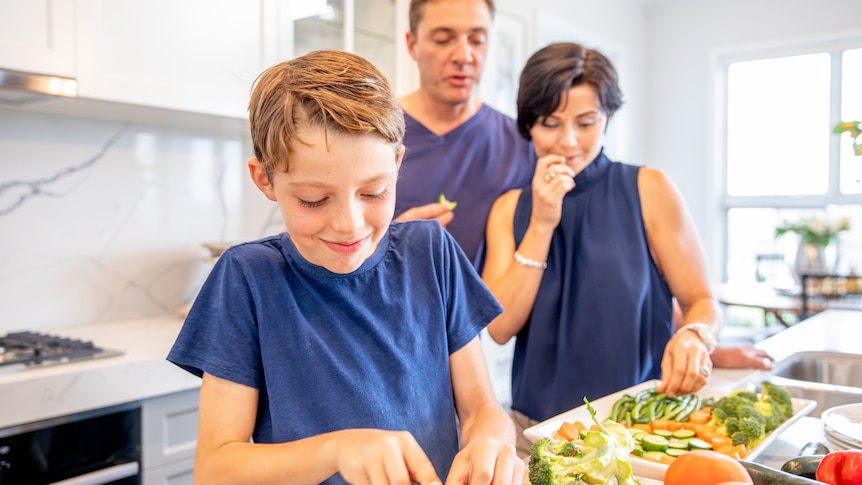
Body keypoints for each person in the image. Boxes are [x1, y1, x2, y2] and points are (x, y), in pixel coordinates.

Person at [167, 50, 523, 484]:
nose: (349, 224)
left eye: (374, 192)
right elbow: (215, 470)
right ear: (265, 179)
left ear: (397, 164)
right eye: (314, 200)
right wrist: (338, 449)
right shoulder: (247, 278)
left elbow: (482, 409)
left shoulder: (431, 252)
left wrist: (490, 441)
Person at [479, 42, 725, 457]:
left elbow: (702, 301)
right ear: (528, 125)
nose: (568, 141)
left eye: (586, 122)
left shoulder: (649, 190)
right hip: (536, 435)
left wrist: (695, 336)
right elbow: (500, 328)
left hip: (641, 430)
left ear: (607, 116)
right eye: (550, 123)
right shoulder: (509, 209)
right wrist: (541, 222)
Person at [394, 0, 535, 267]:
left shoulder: (522, 143)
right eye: (443, 39)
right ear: (412, 44)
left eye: (477, 40)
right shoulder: (373, 136)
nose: (463, 56)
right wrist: (386, 242)